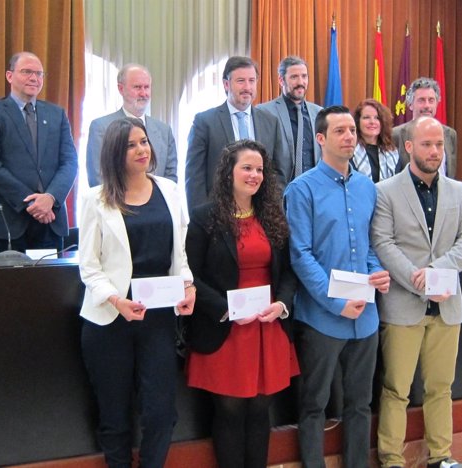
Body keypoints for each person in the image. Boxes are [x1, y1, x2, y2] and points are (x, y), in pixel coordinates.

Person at [78, 117, 196, 468]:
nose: (142, 149)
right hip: (109, 320)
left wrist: (187, 285)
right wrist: (116, 300)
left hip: (157, 319)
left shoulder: (170, 191)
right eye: (131, 145)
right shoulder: (95, 199)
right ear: (116, 152)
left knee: (161, 413)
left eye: (143, 141)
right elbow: (89, 267)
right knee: (115, 418)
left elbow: (181, 253)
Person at [371, 117, 462, 468]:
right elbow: (382, 242)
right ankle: (391, 459)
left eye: (439, 145)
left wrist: (435, 273)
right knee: (395, 390)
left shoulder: (458, 191)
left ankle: (441, 458)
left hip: (447, 307)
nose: (435, 152)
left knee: (441, 388)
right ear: (409, 147)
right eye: (427, 145)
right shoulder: (385, 190)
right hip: (403, 306)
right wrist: (416, 279)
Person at [284, 106, 391, 468]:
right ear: (320, 139)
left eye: (352, 131)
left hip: (366, 317)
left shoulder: (366, 188)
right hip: (322, 318)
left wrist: (378, 274)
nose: (349, 137)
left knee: (360, 403)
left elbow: (371, 245)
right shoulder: (301, 190)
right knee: (314, 404)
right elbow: (300, 255)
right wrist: (336, 301)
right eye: (340, 131)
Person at [185, 139, 300, 468]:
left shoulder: (272, 216)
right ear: (228, 172)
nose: (254, 175)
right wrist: (225, 309)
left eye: (259, 169)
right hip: (225, 328)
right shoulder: (204, 217)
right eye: (246, 167)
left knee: (261, 410)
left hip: (268, 326)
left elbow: (289, 273)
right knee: (231, 411)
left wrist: (282, 305)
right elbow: (191, 274)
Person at [0, 51, 77, 255]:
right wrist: (32, 202)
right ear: (9, 76)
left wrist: (50, 198)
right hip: (8, 221)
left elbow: (70, 162)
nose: (34, 78)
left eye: (39, 74)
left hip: (50, 219)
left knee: (50, 285)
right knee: (9, 286)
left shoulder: (56, 114)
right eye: (27, 72)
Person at [185, 56, 284, 211]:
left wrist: (274, 211)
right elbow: (194, 178)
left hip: (260, 214)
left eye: (252, 81)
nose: (247, 87)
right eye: (241, 81)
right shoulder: (204, 122)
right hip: (218, 214)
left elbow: (276, 173)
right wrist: (201, 220)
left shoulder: (271, 122)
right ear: (226, 84)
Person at [86, 64, 177, 186]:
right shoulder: (101, 127)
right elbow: (98, 179)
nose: (143, 93)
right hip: (116, 203)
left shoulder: (164, 131)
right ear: (121, 89)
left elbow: (170, 180)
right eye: (137, 87)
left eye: (147, 87)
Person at [258, 55, 322, 182]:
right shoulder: (264, 112)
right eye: (294, 77)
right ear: (281, 80)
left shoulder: (319, 113)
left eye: (304, 76)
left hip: (314, 191)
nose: (300, 82)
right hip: (280, 193)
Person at [392, 77, 457, 178]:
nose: (427, 105)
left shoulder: (450, 134)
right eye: (421, 100)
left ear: (437, 103)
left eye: (431, 100)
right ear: (410, 105)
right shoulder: (396, 134)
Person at [351, 98, 400, 182]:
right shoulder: (351, 151)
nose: (372, 122)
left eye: (377, 118)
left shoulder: (392, 152)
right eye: (366, 117)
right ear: (357, 122)